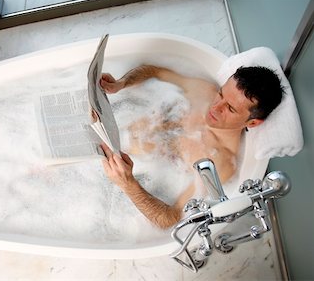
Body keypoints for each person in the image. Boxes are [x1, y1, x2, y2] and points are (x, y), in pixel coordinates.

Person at [99, 65, 284, 229]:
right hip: (113, 133)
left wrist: (127, 183)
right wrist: (121, 84)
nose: (216, 106)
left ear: (252, 123)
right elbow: (154, 71)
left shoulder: (219, 164)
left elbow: (171, 218)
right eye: (221, 93)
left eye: (230, 108)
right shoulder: (204, 91)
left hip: (117, 179)